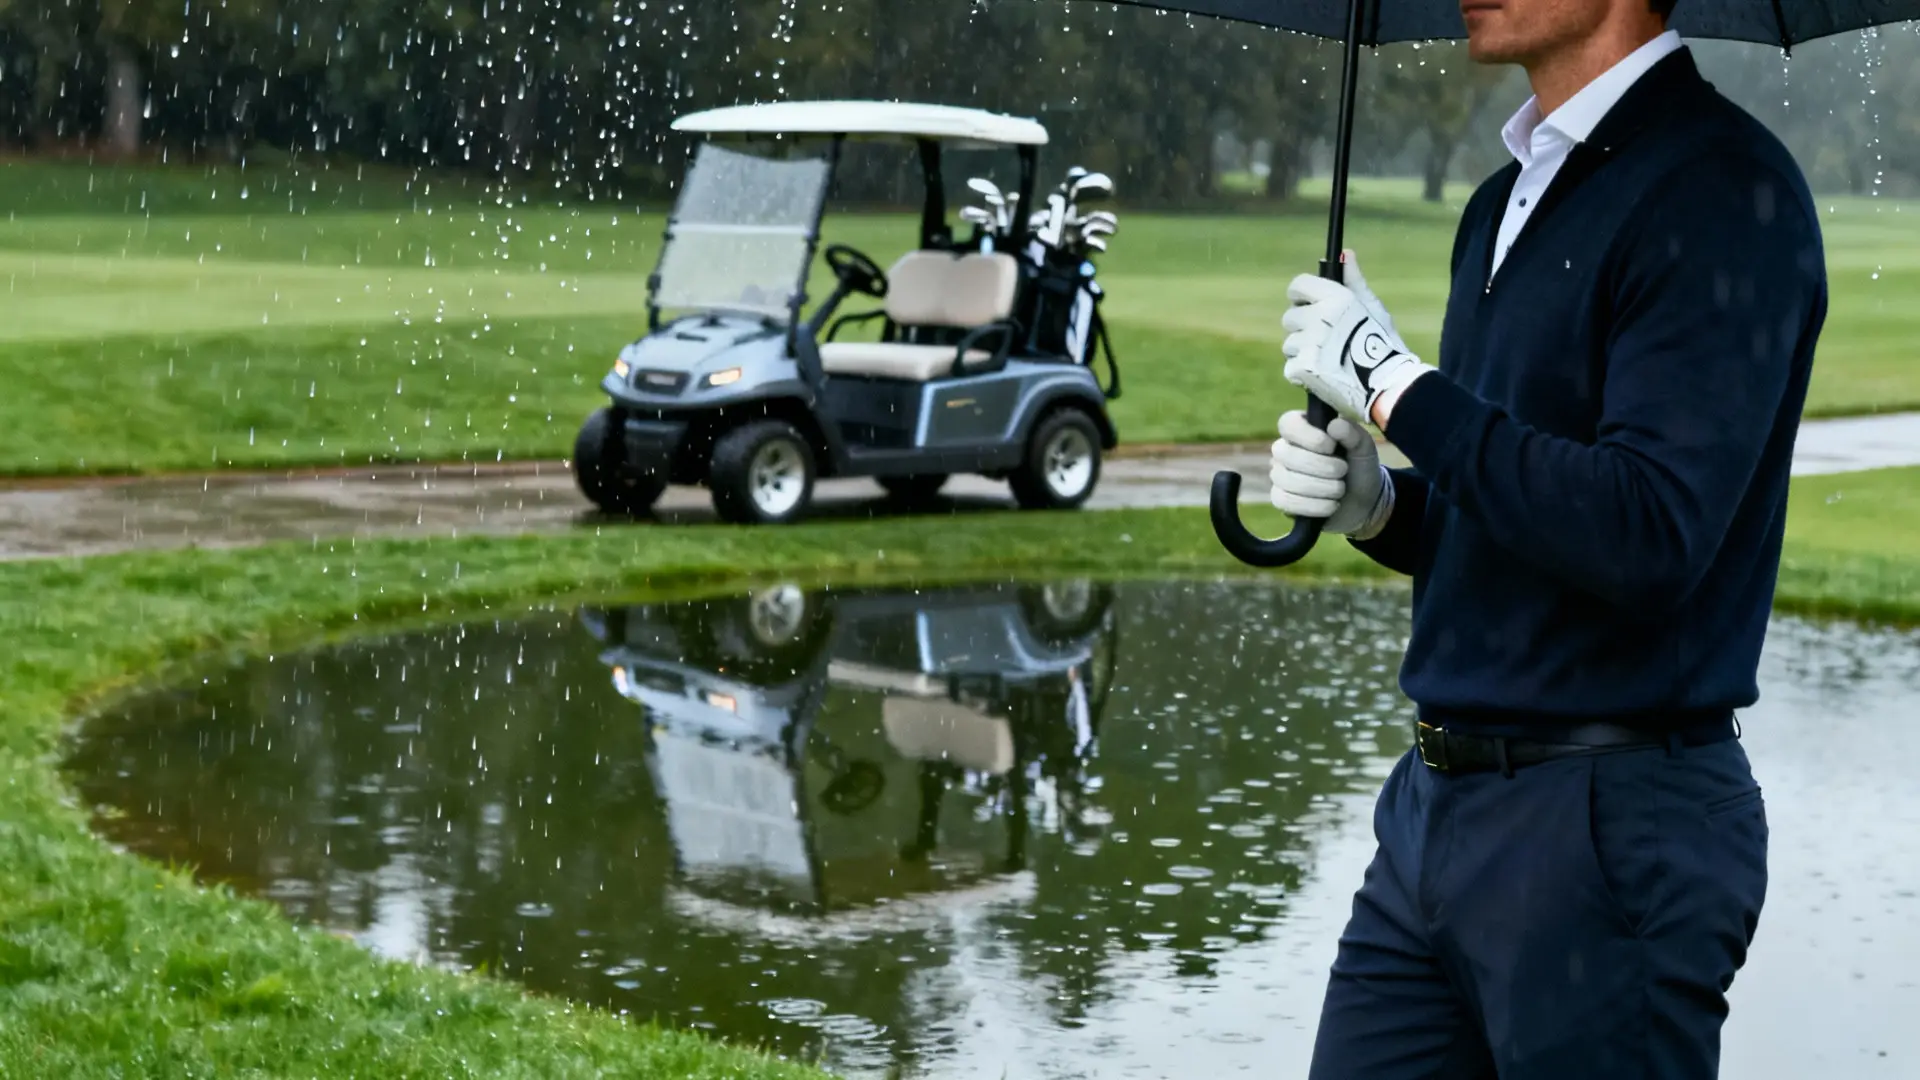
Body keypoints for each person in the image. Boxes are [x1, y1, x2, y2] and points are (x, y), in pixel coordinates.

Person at [1267, 0, 1829, 1075]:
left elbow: (1647, 532)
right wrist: (1382, 508)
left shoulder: (1722, 192)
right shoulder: (1501, 203)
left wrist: (1393, 386)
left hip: (1608, 833)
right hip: (1435, 814)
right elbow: (1520, 506)